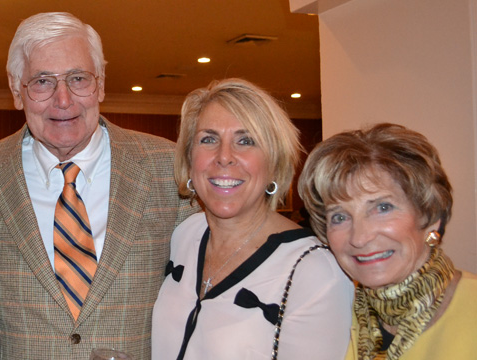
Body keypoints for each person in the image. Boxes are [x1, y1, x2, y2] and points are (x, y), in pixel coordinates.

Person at [0, 12, 196, 359]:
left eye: (78, 78)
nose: (63, 99)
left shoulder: (170, 169)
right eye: (42, 81)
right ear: (16, 90)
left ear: (101, 84)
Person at [152, 78, 354, 359]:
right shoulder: (186, 234)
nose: (224, 157)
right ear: (188, 160)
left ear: (274, 164)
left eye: (246, 141)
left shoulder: (314, 271)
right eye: (208, 139)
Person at [298, 123, 477, 359]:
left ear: (430, 214)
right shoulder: (331, 314)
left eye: (383, 207)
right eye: (340, 217)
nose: (360, 238)